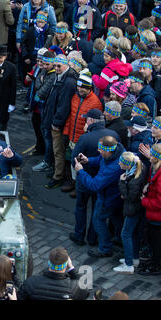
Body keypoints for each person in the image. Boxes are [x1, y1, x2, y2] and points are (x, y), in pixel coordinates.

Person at [69, 109, 120, 246]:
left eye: (87, 119)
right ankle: (92, 238)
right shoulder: (113, 134)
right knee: (96, 211)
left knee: (81, 207)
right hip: (103, 183)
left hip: (86, 179)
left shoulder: (85, 138)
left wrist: (80, 169)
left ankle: (79, 235)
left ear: (91, 121)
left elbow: (74, 159)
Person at [74, 136, 125, 258]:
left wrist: (80, 171)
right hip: (115, 196)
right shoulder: (116, 153)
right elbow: (101, 159)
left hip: (108, 198)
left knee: (98, 220)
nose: (98, 150)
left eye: (100, 149)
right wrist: (89, 161)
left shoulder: (113, 168)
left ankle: (105, 248)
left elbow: (95, 184)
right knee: (117, 218)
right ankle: (120, 239)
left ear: (108, 150)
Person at [62, 69, 103, 195]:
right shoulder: (75, 97)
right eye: (78, 87)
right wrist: (66, 131)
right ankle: (72, 182)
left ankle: (78, 186)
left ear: (89, 88)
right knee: (70, 160)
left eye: (82, 88)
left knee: (80, 163)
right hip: (72, 136)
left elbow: (96, 125)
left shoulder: (95, 102)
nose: (79, 90)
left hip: (83, 137)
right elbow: (71, 116)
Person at [41, 54, 77, 189]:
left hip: (59, 124)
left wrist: (56, 122)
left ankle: (58, 176)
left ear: (66, 65)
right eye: (55, 65)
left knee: (58, 150)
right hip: (55, 119)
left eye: (59, 66)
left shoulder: (68, 82)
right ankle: (57, 171)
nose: (56, 68)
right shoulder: (62, 76)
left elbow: (64, 105)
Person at [113, 152, 147, 274]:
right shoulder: (140, 167)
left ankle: (128, 265)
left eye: (121, 162)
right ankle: (134, 258)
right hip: (138, 208)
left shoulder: (133, 180)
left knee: (125, 234)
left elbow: (129, 197)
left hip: (132, 209)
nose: (119, 163)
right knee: (134, 234)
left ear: (127, 165)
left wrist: (121, 183)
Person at [17, 247, 90, 300]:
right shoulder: (74, 287)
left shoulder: (31, 282)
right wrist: (71, 269)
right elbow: (85, 292)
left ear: (49, 263)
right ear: (66, 264)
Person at [139, 144, 161, 275]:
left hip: (157, 217)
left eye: (152, 155)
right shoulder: (155, 168)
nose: (149, 156)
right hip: (154, 215)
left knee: (156, 243)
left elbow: (159, 202)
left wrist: (144, 201)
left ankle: (155, 266)